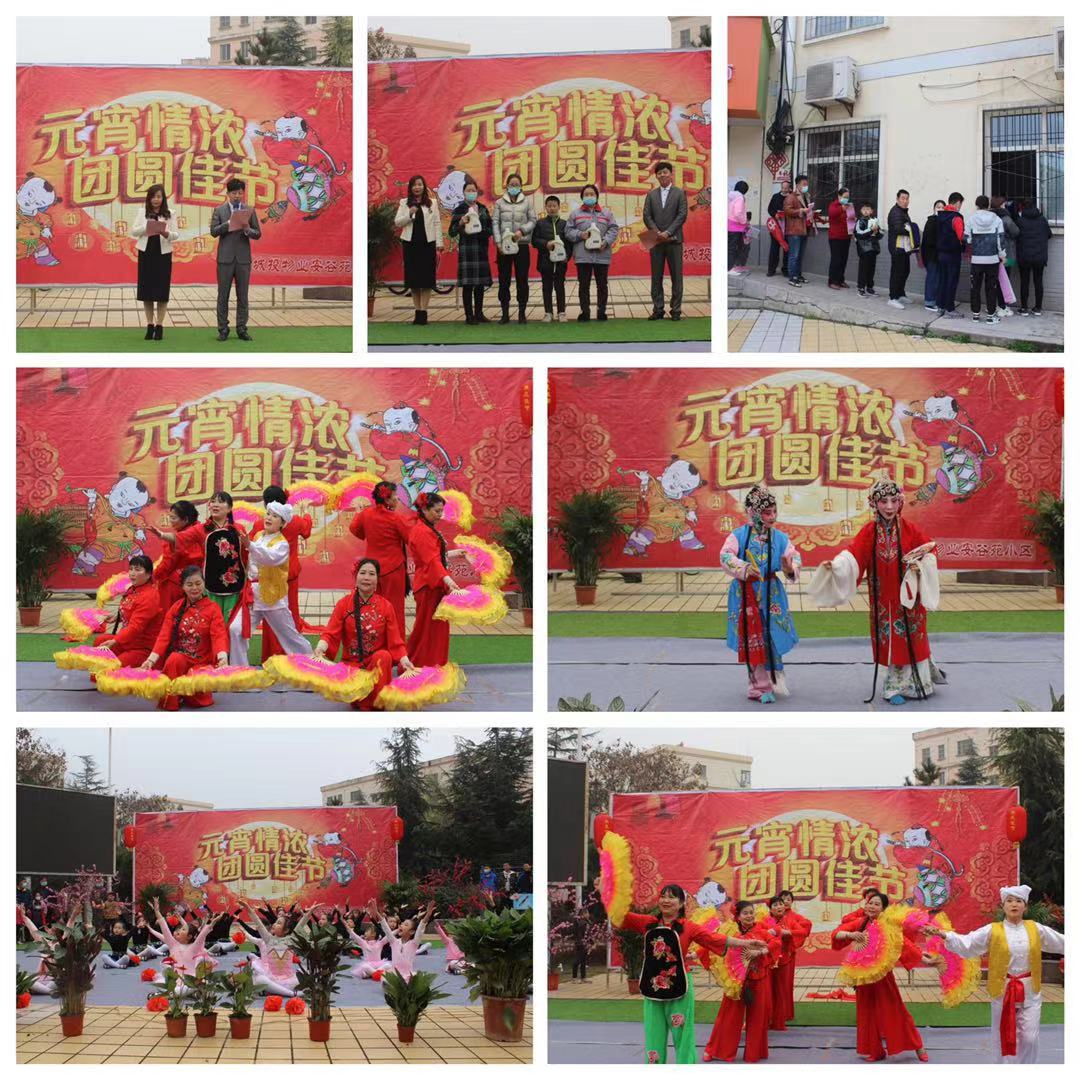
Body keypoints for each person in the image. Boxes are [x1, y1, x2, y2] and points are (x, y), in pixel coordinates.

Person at [810, 478, 945, 705]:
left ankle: (920, 683)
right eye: (883, 501)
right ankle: (893, 687)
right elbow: (854, 555)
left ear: (900, 502)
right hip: (883, 600)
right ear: (874, 503)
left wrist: (920, 566)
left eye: (893, 500)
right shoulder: (869, 532)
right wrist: (837, 566)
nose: (889, 507)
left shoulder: (910, 529)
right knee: (891, 639)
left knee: (912, 637)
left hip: (909, 597)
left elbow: (930, 550)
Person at [612, 884, 767, 1065]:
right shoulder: (648, 923)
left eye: (672, 897)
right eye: (663, 896)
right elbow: (619, 915)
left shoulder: (689, 927)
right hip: (653, 989)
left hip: (680, 988)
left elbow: (714, 939)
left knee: (683, 1037)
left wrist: (745, 943)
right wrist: (607, 891)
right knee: (653, 1037)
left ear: (681, 903)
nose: (666, 900)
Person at [925, 884, 1065, 1064]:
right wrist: (943, 935)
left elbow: (1062, 942)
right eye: (1009, 901)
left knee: (1030, 1038)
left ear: (1025, 906)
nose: (1014, 904)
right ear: (1003, 906)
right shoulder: (993, 930)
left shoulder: (1036, 929)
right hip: (1001, 990)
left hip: (1030, 992)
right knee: (1001, 1035)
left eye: (1018, 901)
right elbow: (968, 944)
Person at [720, 485, 801, 704]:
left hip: (772, 593)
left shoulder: (779, 537)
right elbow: (725, 556)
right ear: (753, 512)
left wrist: (789, 567)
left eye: (774, 511)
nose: (772, 517)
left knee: (771, 634)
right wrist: (744, 568)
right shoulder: (738, 536)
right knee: (753, 636)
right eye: (767, 512)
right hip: (745, 593)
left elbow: (794, 557)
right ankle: (758, 686)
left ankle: (773, 678)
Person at [831, 891, 929, 1062]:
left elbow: (904, 944)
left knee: (895, 1010)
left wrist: (925, 959)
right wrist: (851, 935)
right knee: (866, 1014)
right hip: (862, 977)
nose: (872, 906)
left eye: (876, 904)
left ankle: (918, 1047)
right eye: (870, 903)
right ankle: (875, 1051)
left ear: (883, 909)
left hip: (883, 977)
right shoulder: (860, 922)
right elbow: (836, 934)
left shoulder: (888, 925)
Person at [313, 557, 415, 710]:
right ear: (356, 577)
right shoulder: (344, 604)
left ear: (377, 579)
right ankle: (363, 700)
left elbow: (395, 641)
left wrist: (404, 660)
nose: (366, 577)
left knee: (384, 656)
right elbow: (330, 633)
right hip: (352, 667)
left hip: (376, 666)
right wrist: (321, 648)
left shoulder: (386, 606)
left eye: (371, 574)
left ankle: (375, 702)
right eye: (363, 573)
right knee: (358, 697)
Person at [232, 501, 312, 666]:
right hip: (253, 596)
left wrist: (250, 546)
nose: (269, 518)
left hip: (273, 598)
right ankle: (239, 670)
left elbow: (268, 557)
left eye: (275, 516)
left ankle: (310, 666)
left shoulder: (282, 544)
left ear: (282, 523)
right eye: (268, 514)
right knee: (236, 629)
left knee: (290, 637)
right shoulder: (258, 536)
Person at [140, 564, 229, 711]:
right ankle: (171, 701)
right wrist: (150, 660)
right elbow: (164, 636)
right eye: (189, 584)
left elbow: (219, 635)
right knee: (174, 659)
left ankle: (185, 693)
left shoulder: (213, 608)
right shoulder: (176, 607)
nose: (195, 588)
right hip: (182, 660)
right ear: (182, 587)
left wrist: (222, 658)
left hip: (202, 662)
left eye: (198, 583)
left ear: (204, 583)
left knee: (197, 701)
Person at [704, 900, 782, 1063]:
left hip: (759, 978)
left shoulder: (761, 930)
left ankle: (754, 1053)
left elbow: (776, 942)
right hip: (736, 981)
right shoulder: (731, 931)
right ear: (738, 916)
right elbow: (717, 945)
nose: (749, 916)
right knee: (729, 1016)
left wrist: (762, 951)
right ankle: (717, 1050)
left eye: (751, 912)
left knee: (758, 1017)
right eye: (745, 913)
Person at [406, 493, 471, 667]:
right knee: (427, 629)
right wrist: (449, 581)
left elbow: (434, 556)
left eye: (441, 511)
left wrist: (452, 554)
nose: (440, 515)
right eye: (436, 511)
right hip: (429, 586)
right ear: (424, 509)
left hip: (433, 584)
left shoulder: (426, 528)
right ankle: (421, 664)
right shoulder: (422, 531)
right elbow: (431, 561)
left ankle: (429, 663)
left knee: (433, 628)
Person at [254, 485, 313, 662]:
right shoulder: (295, 521)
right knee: (289, 615)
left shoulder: (260, 524)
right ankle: (294, 658)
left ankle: (270, 656)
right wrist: (307, 513)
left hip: (269, 577)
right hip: (289, 576)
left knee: (270, 616)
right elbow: (307, 531)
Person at [349, 480, 414, 638]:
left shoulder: (366, 514)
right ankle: (395, 644)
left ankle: (372, 641)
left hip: (372, 570)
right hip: (394, 569)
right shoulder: (396, 518)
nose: (397, 499)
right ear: (387, 499)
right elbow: (411, 538)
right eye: (395, 496)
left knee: (372, 607)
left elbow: (355, 529)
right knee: (394, 609)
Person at [211, 178, 260, 342]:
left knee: (243, 296)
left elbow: (258, 233)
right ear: (228, 194)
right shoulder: (219, 210)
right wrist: (228, 223)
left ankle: (241, 328)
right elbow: (213, 231)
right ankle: (223, 329)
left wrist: (247, 229)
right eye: (234, 193)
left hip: (243, 259)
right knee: (223, 295)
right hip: (225, 259)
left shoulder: (249, 210)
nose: (237, 196)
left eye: (240, 193)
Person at [92, 554, 162, 668]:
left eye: (137, 570)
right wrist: (117, 617)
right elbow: (131, 611)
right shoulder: (133, 589)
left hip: (143, 648)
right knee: (99, 641)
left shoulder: (150, 596)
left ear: (149, 574)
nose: (132, 573)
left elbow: (135, 626)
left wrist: (115, 641)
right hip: (127, 641)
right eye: (131, 569)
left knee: (112, 669)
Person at [564, 184, 619, 321]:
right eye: (586, 194)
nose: (589, 197)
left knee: (602, 285)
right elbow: (568, 231)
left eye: (592, 194)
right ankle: (585, 312)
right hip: (583, 256)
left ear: (597, 196)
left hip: (602, 255)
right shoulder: (575, 214)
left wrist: (605, 242)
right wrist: (580, 234)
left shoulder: (606, 213)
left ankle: (602, 311)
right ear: (582, 197)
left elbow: (613, 229)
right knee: (584, 285)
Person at [131, 183, 178, 340]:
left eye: (158, 196)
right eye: (153, 197)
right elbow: (134, 231)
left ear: (163, 198)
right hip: (147, 253)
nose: (156, 200)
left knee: (162, 292)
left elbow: (176, 234)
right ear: (149, 198)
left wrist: (166, 233)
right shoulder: (142, 212)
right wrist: (147, 227)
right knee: (147, 292)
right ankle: (149, 325)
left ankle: (159, 326)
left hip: (163, 254)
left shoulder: (170, 213)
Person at [394, 174, 441, 326]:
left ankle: (424, 312)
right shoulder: (404, 203)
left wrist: (439, 244)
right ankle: (417, 312)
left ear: (424, 186)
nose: (417, 187)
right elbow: (398, 222)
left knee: (427, 280)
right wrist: (409, 213)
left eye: (420, 184)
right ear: (410, 187)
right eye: (414, 185)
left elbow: (437, 223)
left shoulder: (432, 203)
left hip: (428, 244)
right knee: (414, 280)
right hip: (411, 245)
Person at [644, 161, 688, 319]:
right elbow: (647, 216)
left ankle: (676, 310)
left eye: (665, 172)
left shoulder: (680, 193)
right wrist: (657, 232)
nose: (662, 175)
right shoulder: (651, 194)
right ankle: (658, 309)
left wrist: (668, 232)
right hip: (655, 240)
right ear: (656, 176)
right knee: (656, 276)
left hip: (674, 239)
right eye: (659, 173)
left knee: (677, 276)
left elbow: (682, 215)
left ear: (671, 174)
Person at [240, 904, 313, 997]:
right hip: (272, 980)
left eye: (278, 923)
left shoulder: (291, 940)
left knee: (307, 974)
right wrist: (249, 910)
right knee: (259, 980)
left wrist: (309, 913)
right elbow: (259, 924)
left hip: (289, 980)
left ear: (286, 930)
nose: (274, 924)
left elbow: (300, 926)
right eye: (275, 922)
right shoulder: (268, 939)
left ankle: (274, 990)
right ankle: (292, 994)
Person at [491, 172, 536, 323]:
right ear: (507, 186)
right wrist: (498, 243)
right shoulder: (499, 203)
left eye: (517, 185)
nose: (514, 187)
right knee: (504, 280)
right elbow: (495, 223)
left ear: (521, 187)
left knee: (522, 280)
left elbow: (533, 220)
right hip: (504, 247)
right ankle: (505, 313)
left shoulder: (527, 202)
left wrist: (522, 231)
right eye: (512, 185)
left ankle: (522, 313)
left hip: (521, 246)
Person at [448, 177, 493, 324]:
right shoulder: (459, 210)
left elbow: (490, 229)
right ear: (464, 193)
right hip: (467, 251)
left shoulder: (483, 209)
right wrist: (461, 223)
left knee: (480, 285)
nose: (471, 193)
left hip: (481, 250)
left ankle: (479, 313)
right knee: (467, 285)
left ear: (477, 192)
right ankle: (469, 316)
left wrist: (481, 229)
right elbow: (452, 232)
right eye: (468, 190)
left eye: (473, 190)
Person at [201, 491, 247, 631]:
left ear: (229, 508)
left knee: (232, 624)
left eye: (220, 502)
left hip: (234, 585)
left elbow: (245, 556)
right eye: (213, 501)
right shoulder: (202, 530)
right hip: (210, 584)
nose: (215, 505)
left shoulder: (238, 529)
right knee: (212, 623)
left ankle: (230, 646)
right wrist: (162, 535)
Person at [148, 500, 204, 614]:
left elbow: (167, 565)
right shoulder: (201, 532)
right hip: (196, 583)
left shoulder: (177, 539)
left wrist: (153, 577)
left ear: (186, 519)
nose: (170, 521)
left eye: (173, 518)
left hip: (174, 586)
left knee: (170, 615)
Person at [765, 895, 808, 1031]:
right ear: (770, 909)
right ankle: (766, 1019)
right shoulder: (765, 921)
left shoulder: (789, 920)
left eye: (781, 904)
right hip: (768, 961)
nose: (779, 907)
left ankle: (778, 1022)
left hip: (784, 960)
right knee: (766, 991)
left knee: (781, 991)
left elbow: (802, 932)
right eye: (775, 905)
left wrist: (786, 932)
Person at [966, 195, 1005, 324]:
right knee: (991, 288)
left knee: (975, 287)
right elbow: (1000, 239)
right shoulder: (997, 219)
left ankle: (976, 315)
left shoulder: (971, 219)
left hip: (976, 260)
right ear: (988, 205)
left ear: (977, 205)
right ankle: (990, 316)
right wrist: (1002, 255)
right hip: (992, 260)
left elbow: (967, 239)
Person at [532, 194, 570, 322]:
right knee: (546, 287)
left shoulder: (565, 224)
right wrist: (546, 244)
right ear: (546, 208)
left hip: (561, 263)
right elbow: (534, 241)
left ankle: (561, 312)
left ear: (559, 207)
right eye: (549, 206)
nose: (552, 208)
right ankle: (548, 313)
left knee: (560, 287)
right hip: (545, 262)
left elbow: (569, 243)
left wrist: (567, 257)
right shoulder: (540, 223)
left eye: (554, 206)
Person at [1016, 202, 1052, 317]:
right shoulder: (1043, 220)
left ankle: (1024, 308)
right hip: (1040, 256)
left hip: (1024, 256)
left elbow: (1015, 235)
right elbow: (1049, 235)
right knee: (1038, 282)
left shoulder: (1020, 221)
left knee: (1024, 282)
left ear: (1023, 209)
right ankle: (1038, 308)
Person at [934, 193, 966, 317]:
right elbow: (961, 236)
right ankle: (950, 309)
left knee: (942, 280)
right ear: (958, 203)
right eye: (961, 204)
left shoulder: (940, 216)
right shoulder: (956, 218)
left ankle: (941, 306)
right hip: (953, 254)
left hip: (941, 253)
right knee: (951, 281)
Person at [990, 196, 1020, 317]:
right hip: (1008, 254)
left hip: (991, 254)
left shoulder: (990, 218)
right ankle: (1003, 306)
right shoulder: (1006, 218)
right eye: (1003, 204)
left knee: (994, 280)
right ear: (1001, 205)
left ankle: (994, 305)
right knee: (1005, 279)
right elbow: (1016, 232)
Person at [887, 189, 917, 308]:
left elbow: (905, 226)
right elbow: (898, 229)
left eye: (907, 198)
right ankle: (893, 298)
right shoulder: (895, 212)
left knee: (905, 271)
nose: (905, 201)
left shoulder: (903, 212)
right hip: (897, 247)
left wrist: (910, 228)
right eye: (903, 198)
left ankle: (900, 294)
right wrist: (910, 229)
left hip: (904, 247)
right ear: (897, 199)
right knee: (897, 272)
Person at [783, 174, 810, 287]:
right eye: (804, 184)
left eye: (807, 184)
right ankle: (792, 277)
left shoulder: (806, 196)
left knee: (800, 255)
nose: (806, 186)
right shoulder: (791, 197)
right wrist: (801, 211)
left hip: (804, 229)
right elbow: (787, 211)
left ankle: (798, 275)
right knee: (794, 255)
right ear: (798, 185)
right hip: (794, 230)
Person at [920, 200, 947, 310]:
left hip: (938, 256)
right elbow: (929, 241)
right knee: (932, 278)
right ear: (934, 209)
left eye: (942, 207)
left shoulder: (942, 222)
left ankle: (935, 301)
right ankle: (929, 302)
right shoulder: (931, 221)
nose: (940, 209)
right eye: (938, 207)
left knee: (937, 279)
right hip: (931, 256)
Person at [853, 203, 881, 296]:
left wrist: (877, 231)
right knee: (863, 269)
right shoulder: (860, 221)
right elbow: (859, 234)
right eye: (864, 209)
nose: (866, 211)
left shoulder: (874, 220)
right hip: (864, 249)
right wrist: (871, 230)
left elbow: (881, 234)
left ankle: (870, 287)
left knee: (871, 269)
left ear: (871, 211)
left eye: (868, 209)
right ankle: (861, 288)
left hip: (873, 249)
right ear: (861, 211)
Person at [827, 187, 853, 288]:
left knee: (843, 260)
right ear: (839, 196)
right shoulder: (834, 205)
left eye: (848, 197)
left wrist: (853, 224)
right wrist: (842, 209)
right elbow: (831, 214)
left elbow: (850, 219)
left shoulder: (849, 206)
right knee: (836, 260)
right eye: (844, 197)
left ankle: (840, 280)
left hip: (846, 237)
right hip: (835, 237)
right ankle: (832, 281)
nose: (846, 199)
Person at [766, 179, 792, 278]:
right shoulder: (775, 196)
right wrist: (775, 214)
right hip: (776, 227)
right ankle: (771, 270)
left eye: (786, 188)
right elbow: (770, 209)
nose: (784, 190)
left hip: (788, 227)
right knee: (774, 249)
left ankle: (785, 270)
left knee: (787, 249)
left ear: (789, 188)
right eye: (783, 188)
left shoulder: (792, 197)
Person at [727, 180, 749, 272]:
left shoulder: (730, 196)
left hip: (729, 225)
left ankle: (730, 267)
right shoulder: (740, 198)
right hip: (736, 227)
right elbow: (738, 213)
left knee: (730, 247)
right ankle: (730, 268)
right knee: (735, 248)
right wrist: (744, 221)